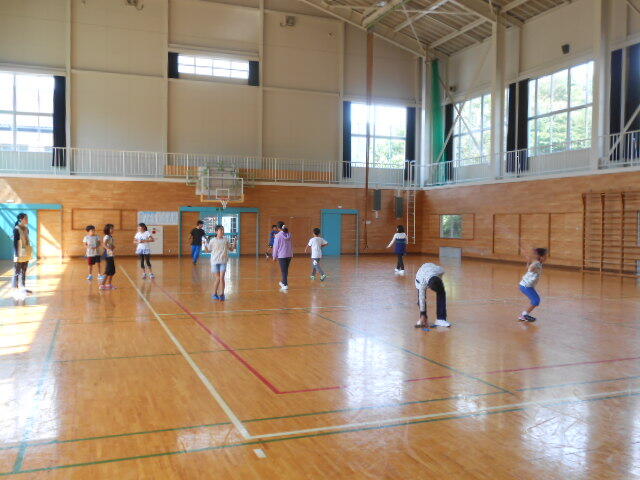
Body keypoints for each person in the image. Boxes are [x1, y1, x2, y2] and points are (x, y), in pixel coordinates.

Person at [414, 262, 450, 329]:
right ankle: (423, 317)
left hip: (432, 268)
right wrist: (422, 313)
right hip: (421, 274)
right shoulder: (421, 283)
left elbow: (442, 272)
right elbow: (421, 299)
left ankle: (441, 319)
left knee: (441, 291)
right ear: (429, 286)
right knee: (421, 299)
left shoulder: (440, 270)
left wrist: (440, 282)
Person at [205, 225, 236, 301]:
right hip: (214, 262)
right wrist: (205, 244)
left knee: (222, 278)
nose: (222, 231)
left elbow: (231, 249)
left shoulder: (225, 240)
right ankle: (214, 293)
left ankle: (222, 294)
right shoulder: (212, 240)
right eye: (220, 230)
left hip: (223, 261)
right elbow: (208, 250)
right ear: (216, 232)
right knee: (218, 278)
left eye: (223, 230)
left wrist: (235, 242)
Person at [518, 248, 548, 322]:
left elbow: (528, 267)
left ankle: (524, 315)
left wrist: (528, 262)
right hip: (525, 286)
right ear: (541, 257)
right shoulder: (536, 264)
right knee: (536, 300)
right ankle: (523, 315)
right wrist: (531, 266)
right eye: (545, 256)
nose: (546, 257)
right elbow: (531, 268)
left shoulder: (539, 263)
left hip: (528, 286)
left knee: (536, 300)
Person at [12, 213, 32, 296]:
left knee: (24, 271)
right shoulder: (16, 229)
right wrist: (17, 254)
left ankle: (23, 288)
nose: (27, 220)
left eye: (27, 218)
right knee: (17, 272)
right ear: (21, 219)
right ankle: (15, 289)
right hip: (19, 253)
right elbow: (15, 243)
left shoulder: (27, 229)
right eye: (26, 218)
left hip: (26, 252)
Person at [272, 221, 293, 291]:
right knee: (285, 270)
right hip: (289, 255)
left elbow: (275, 247)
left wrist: (274, 256)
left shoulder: (277, 236)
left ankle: (285, 285)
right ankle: (283, 282)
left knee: (284, 271)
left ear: (278, 228)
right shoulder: (289, 234)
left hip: (282, 255)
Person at [100, 224, 116, 290]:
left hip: (110, 255)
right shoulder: (106, 236)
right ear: (107, 229)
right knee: (108, 270)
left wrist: (113, 247)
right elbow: (104, 244)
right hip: (107, 255)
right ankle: (102, 285)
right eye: (111, 228)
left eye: (113, 228)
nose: (113, 230)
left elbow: (111, 245)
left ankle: (109, 284)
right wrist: (108, 249)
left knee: (112, 270)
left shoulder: (110, 237)